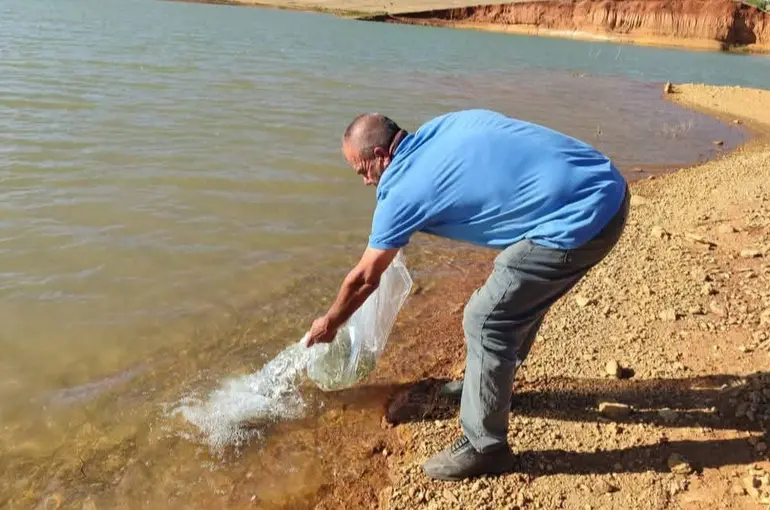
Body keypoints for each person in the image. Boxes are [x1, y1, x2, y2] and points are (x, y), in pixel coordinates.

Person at [305, 109, 629, 481]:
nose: (364, 182)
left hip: (584, 221)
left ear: (381, 157)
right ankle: (488, 385)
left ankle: (485, 446)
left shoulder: (404, 189)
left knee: (486, 319)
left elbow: (364, 278)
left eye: (362, 170)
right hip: (607, 185)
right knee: (516, 289)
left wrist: (331, 321)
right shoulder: (443, 126)